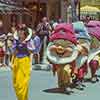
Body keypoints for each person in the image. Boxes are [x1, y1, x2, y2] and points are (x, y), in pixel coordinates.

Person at [11, 26, 34, 100]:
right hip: (17, 62)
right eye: (19, 30)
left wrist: (30, 65)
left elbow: (31, 53)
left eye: (22, 30)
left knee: (23, 84)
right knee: (16, 84)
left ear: (25, 32)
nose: (20, 32)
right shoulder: (16, 41)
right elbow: (14, 53)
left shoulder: (28, 41)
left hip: (25, 62)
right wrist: (11, 62)